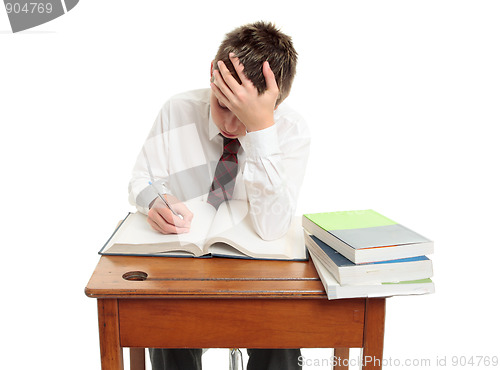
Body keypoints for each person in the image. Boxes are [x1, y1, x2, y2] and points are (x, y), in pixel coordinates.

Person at [128, 21, 310, 370]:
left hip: (260, 273)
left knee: (282, 335)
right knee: (165, 328)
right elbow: (143, 177)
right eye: (222, 105)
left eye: (242, 114)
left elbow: (272, 227)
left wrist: (260, 130)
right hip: (186, 268)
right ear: (212, 77)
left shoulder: (292, 131)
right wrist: (154, 200)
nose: (229, 125)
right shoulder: (177, 109)